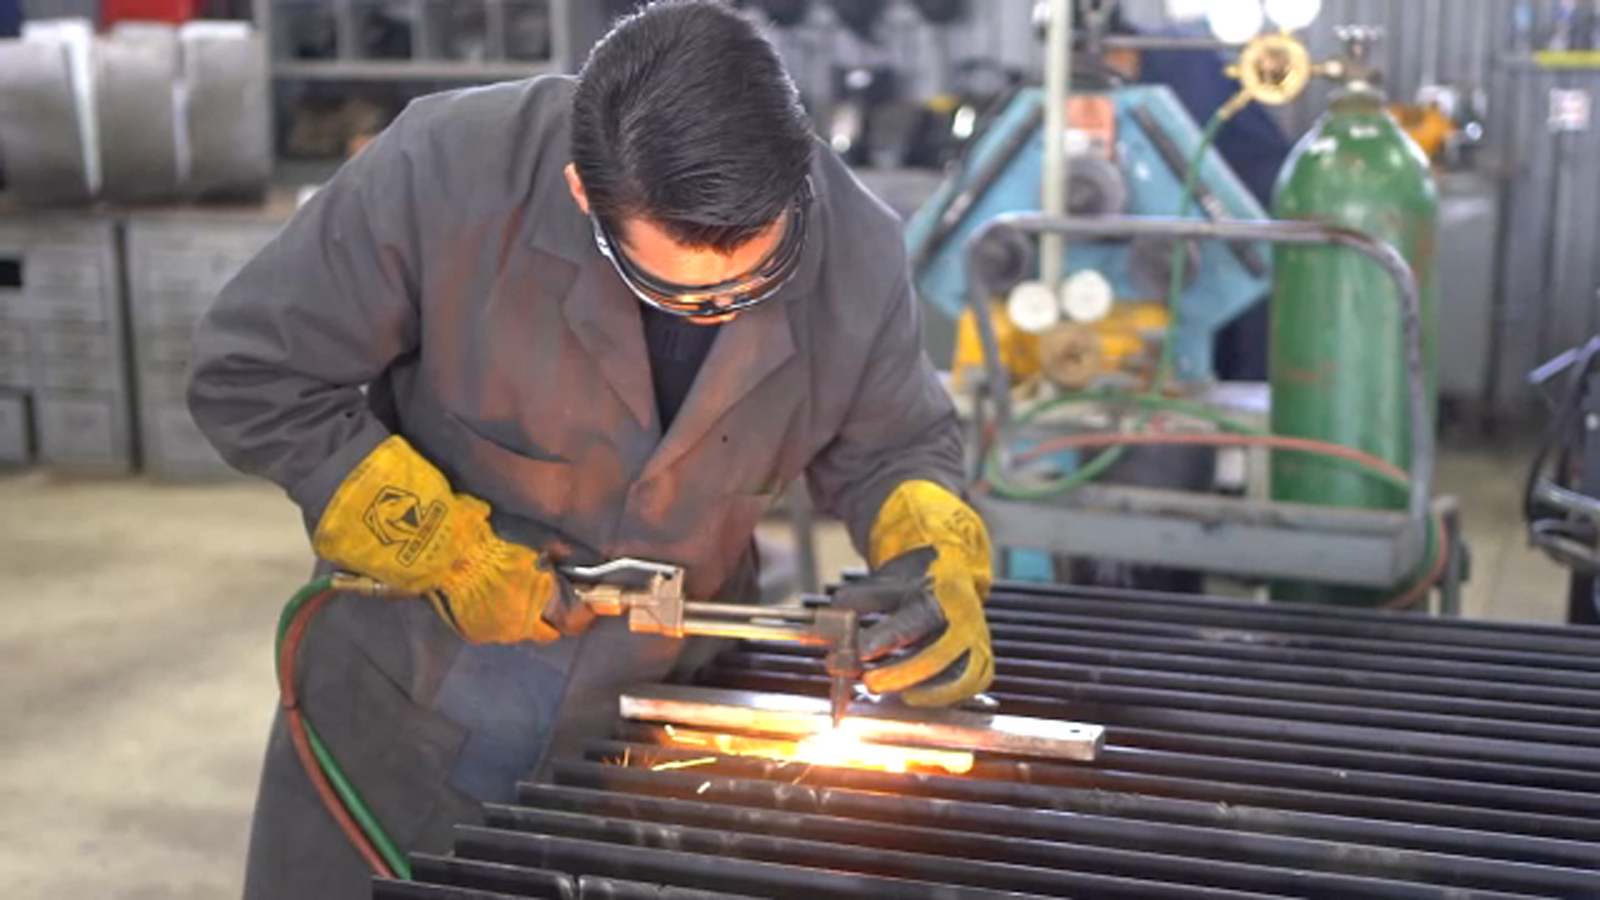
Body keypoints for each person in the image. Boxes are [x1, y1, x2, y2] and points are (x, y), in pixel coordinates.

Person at [187, 2, 994, 895]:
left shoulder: (858, 244)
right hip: (412, 703)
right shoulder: (444, 171)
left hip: (655, 722)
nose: (722, 308)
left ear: (796, 174)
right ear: (585, 195)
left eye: (754, 278)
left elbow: (895, 447)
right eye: (675, 289)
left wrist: (934, 557)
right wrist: (439, 546)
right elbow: (253, 373)